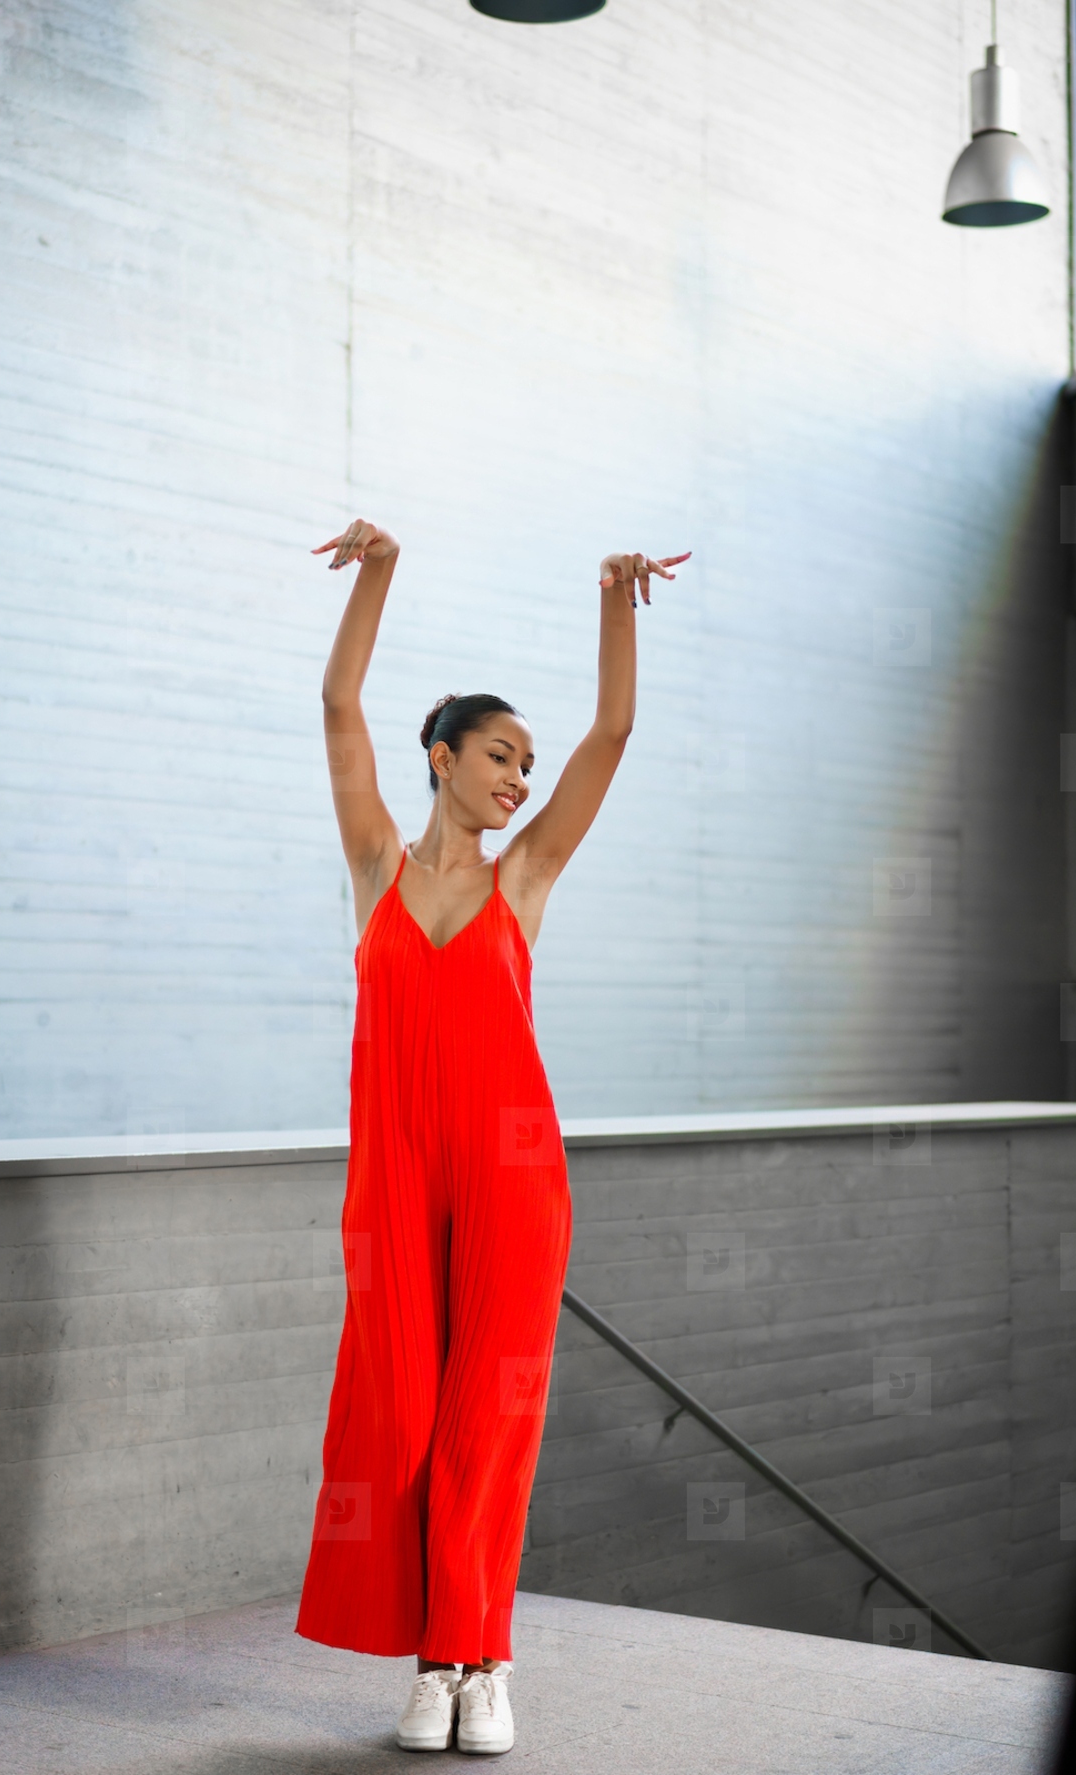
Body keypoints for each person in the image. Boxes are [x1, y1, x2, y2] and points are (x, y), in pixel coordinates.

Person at [293, 518, 690, 1754]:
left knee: (486, 1424)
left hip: (516, 1182)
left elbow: (610, 735)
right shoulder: (374, 868)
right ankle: (433, 1650)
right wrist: (381, 570)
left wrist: (614, 598)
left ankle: (472, 1662)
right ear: (441, 757)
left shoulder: (525, 881)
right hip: (394, 1181)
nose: (518, 777)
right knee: (399, 1413)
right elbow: (337, 698)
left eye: (525, 760)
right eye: (499, 756)